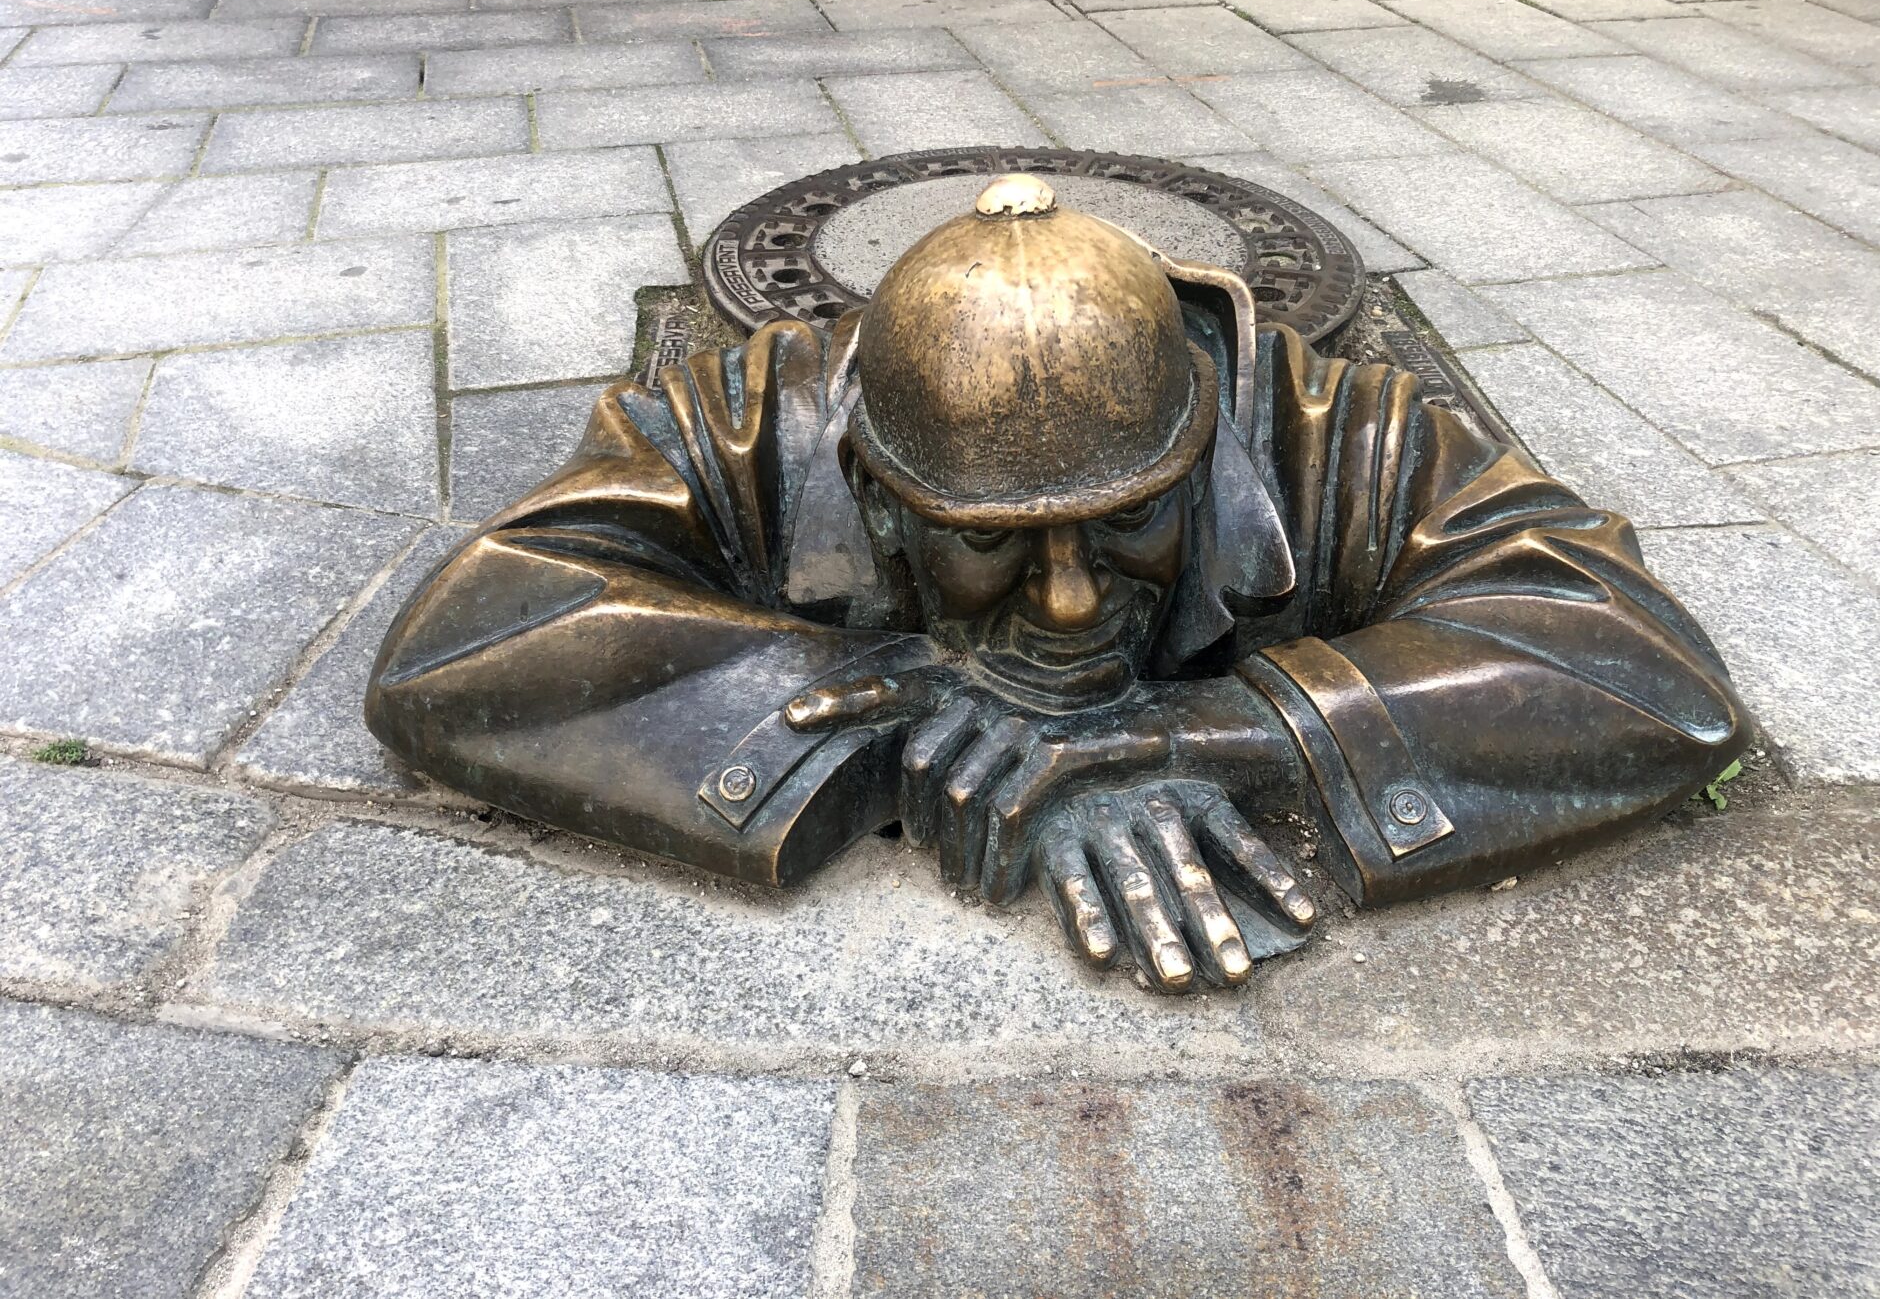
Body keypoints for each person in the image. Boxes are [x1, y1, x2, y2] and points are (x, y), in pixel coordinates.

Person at [366, 175, 1748, 993]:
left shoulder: (1340, 430)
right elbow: (462, 642)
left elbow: (1642, 663)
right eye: (991, 541)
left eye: (1133, 518)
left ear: (1199, 435)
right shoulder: (753, 423)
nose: (1077, 599)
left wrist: (1202, 728)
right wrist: (876, 708)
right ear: (877, 495)